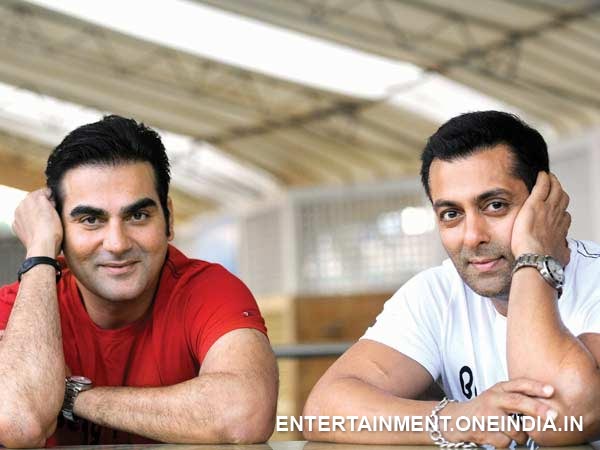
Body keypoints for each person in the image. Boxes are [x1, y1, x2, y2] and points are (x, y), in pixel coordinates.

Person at [303, 111, 600, 447]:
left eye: (495, 205)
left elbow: (560, 418)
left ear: (544, 201)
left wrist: (533, 258)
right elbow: (322, 411)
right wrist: (455, 419)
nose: (472, 236)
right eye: (451, 214)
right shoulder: (435, 293)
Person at [0, 115, 278, 447]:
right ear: (60, 230)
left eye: (138, 215)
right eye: (91, 220)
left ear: (168, 220)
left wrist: (73, 395)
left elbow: (245, 415)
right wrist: (40, 250)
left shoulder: (208, 289)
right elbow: (17, 424)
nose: (117, 244)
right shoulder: (19, 308)